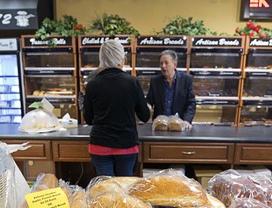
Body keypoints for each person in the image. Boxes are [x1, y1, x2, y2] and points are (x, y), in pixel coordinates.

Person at [84, 40, 150, 177]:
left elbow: (89, 119)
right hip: (126, 145)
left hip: (99, 145)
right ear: (122, 60)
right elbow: (145, 116)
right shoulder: (132, 83)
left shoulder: (92, 84)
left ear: (101, 60)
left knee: (105, 190)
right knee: (123, 189)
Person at [146, 50, 196, 129]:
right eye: (161, 63)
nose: (163, 66)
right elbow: (149, 101)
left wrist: (187, 120)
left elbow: (191, 103)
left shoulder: (186, 80)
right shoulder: (155, 81)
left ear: (175, 64)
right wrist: (146, 106)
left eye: (166, 63)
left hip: (179, 125)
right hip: (160, 126)